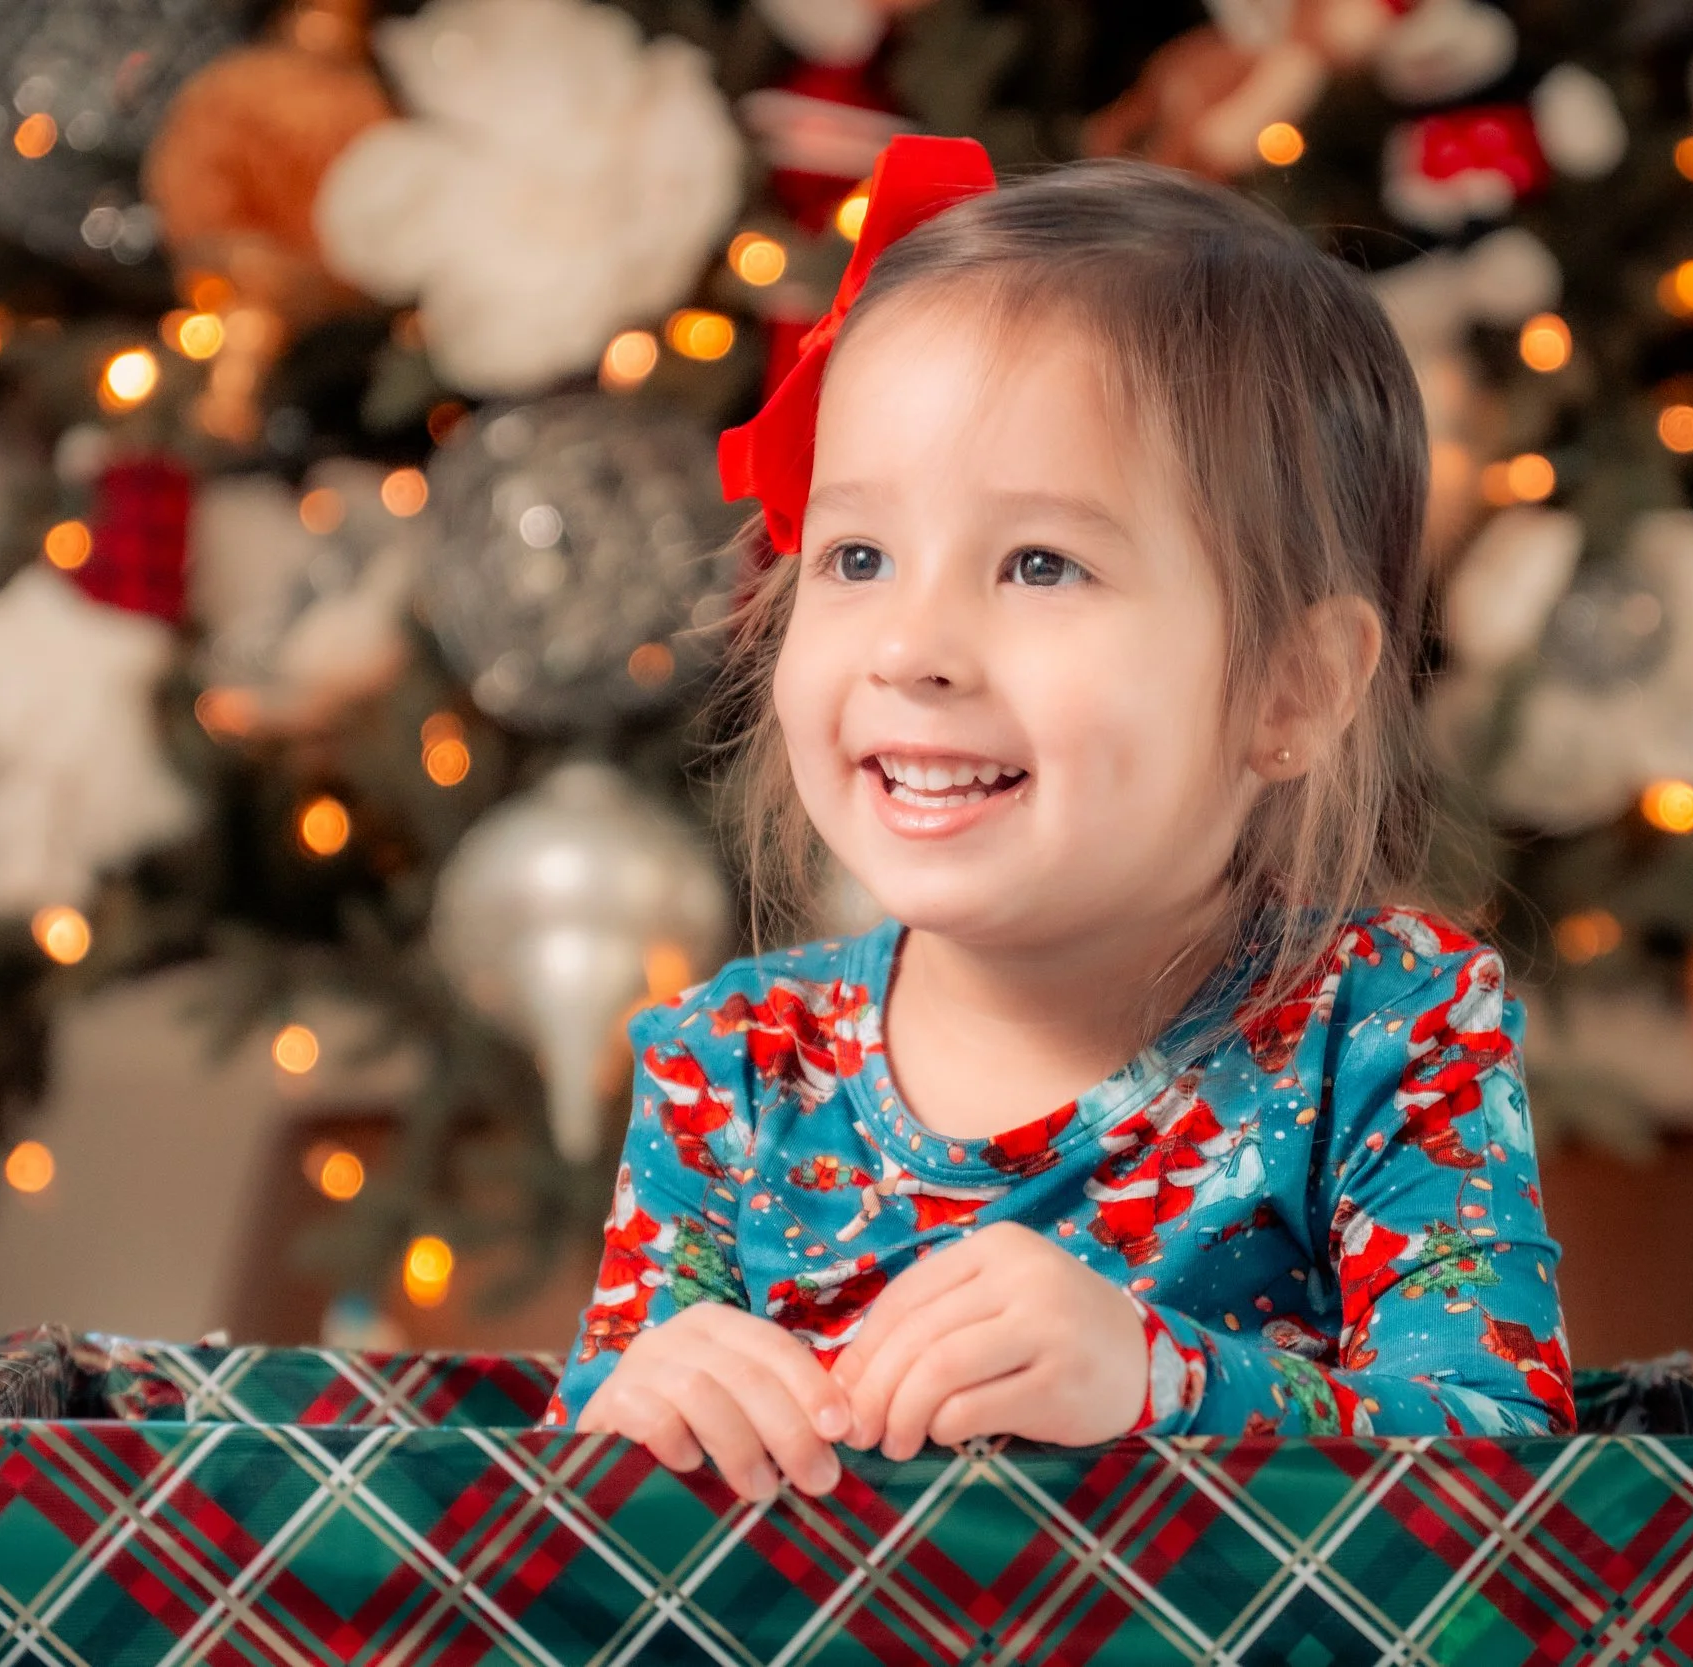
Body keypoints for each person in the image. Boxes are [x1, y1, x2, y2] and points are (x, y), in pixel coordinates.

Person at [536, 135, 1572, 1502]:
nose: (912, 646)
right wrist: (634, 1405)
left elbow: (1504, 1455)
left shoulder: (1386, 1033)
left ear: (1290, 687)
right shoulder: (732, 1066)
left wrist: (1165, 1377)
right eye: (857, 554)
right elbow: (595, 1467)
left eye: (1039, 562)